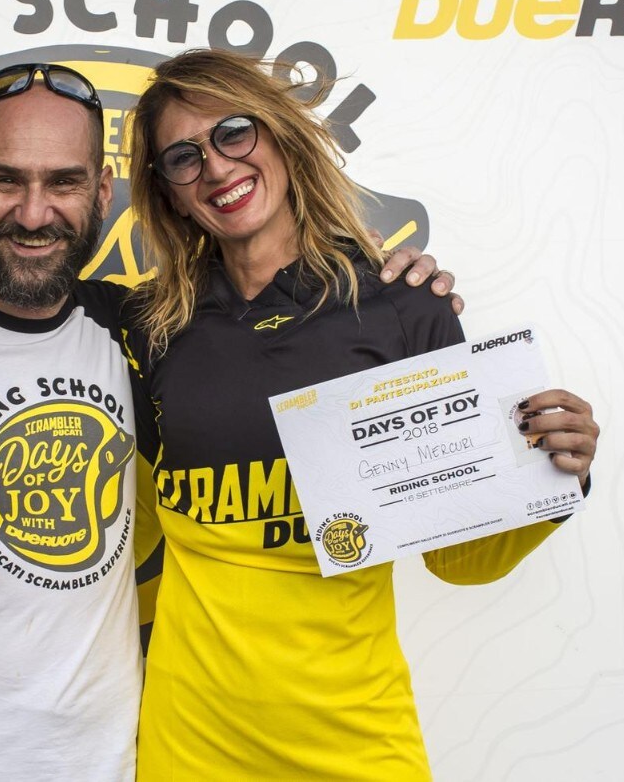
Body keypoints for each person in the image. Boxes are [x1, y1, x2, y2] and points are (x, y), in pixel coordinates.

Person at [0, 62, 458, 780]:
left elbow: (255, 395)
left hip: (116, 757)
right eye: (6, 180)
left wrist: (393, 298)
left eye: (63, 182)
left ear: (103, 192)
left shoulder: (140, 328)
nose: (33, 213)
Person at [123, 48, 600, 780]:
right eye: (183, 157)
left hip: (352, 737)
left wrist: (553, 471)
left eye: (234, 132)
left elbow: (458, 559)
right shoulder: (152, 328)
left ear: (281, 135)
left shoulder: (403, 305)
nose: (216, 167)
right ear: (169, 193)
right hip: (189, 739)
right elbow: (125, 528)